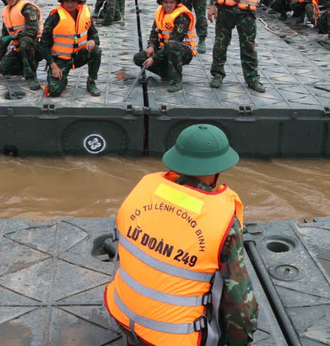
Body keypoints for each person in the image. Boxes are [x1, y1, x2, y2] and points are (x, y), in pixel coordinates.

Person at [104, 124, 258, 346]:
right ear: (218, 168)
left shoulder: (144, 188)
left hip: (122, 315)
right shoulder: (221, 220)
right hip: (172, 337)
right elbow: (239, 304)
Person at [40, 0, 102, 96]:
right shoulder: (54, 18)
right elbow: (44, 45)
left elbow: (93, 33)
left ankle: (91, 82)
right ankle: (62, 80)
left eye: (73, 1)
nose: (70, 4)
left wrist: (92, 40)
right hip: (60, 59)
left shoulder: (85, 15)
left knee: (96, 50)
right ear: (62, 2)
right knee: (54, 91)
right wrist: (53, 66)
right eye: (67, 1)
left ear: (78, 2)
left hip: (78, 55)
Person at [133, 0, 197, 92]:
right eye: (166, 2)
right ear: (161, 3)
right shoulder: (160, 14)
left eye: (171, 2)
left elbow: (173, 42)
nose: (168, 5)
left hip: (182, 52)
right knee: (139, 58)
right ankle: (167, 73)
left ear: (176, 3)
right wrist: (151, 46)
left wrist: (154, 58)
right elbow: (154, 33)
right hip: (165, 49)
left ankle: (176, 81)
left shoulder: (182, 17)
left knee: (172, 45)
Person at [0, 0, 42, 91]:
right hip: (19, 49)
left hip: (36, 47)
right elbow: (5, 35)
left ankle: (32, 76)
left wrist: (13, 37)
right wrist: (0, 54)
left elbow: (33, 31)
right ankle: (24, 65)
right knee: (2, 69)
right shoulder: (6, 11)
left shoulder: (28, 9)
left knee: (25, 40)